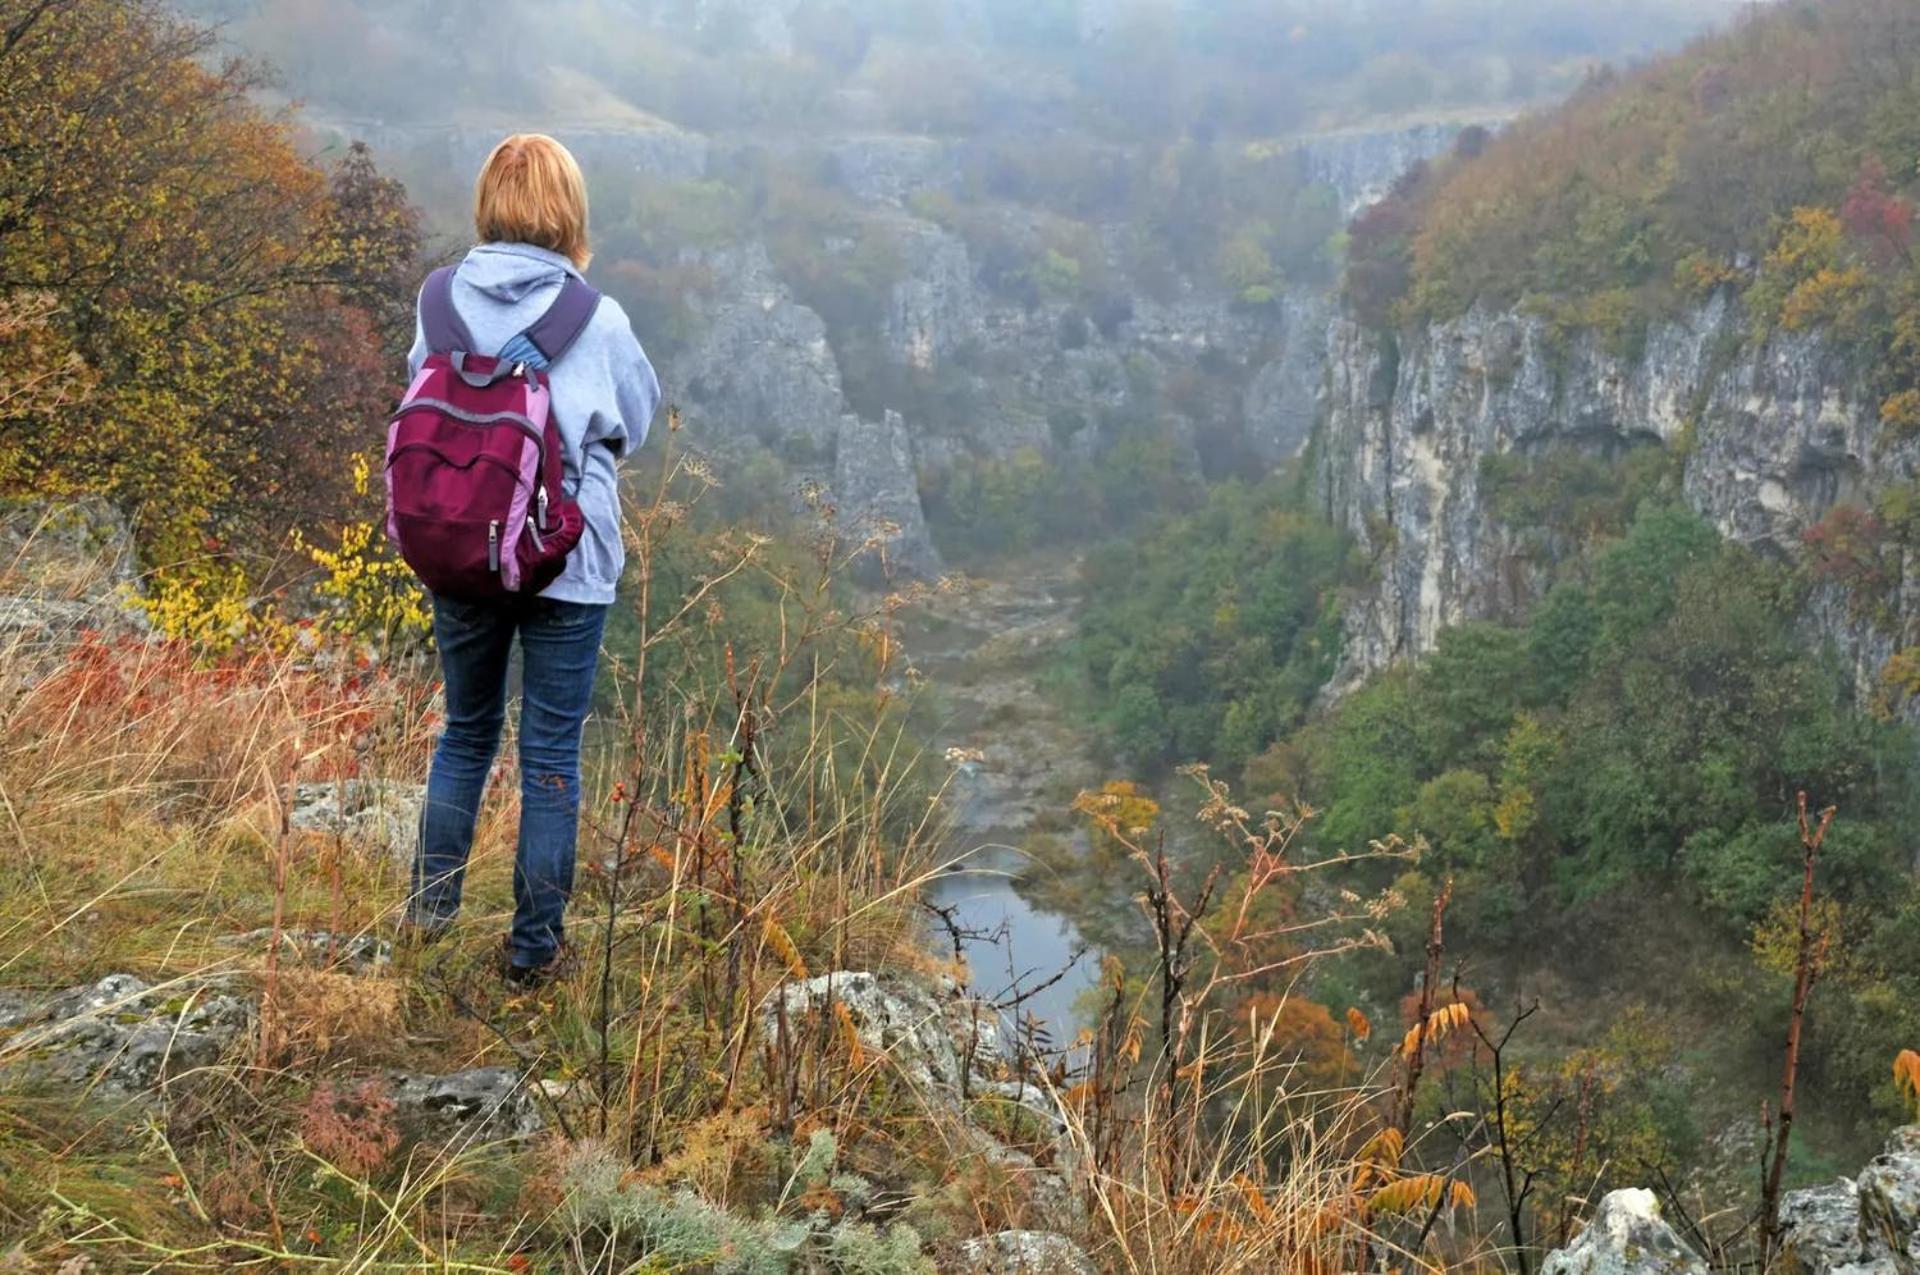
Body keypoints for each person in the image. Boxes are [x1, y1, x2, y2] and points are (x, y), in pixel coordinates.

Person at [403, 133, 659, 987]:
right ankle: (533, 954)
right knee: (550, 754)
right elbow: (636, 422)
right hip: (569, 561)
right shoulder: (599, 318)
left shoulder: (438, 300)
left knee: (466, 734)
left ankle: (427, 923)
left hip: (461, 546)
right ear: (569, 212)